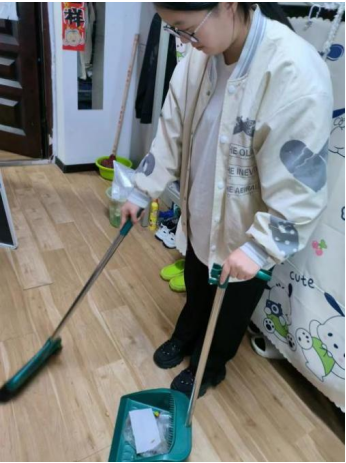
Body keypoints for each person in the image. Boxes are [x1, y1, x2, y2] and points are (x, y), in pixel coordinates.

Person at [120, 2, 332, 396]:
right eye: (174, 30)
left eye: (186, 28)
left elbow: (302, 183)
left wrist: (259, 247)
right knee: (197, 281)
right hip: (201, 206)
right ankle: (186, 335)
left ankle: (210, 365)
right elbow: (171, 128)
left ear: (229, 5)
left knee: (230, 308)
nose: (184, 40)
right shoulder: (199, 56)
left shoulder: (294, 70)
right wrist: (141, 189)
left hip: (247, 231)